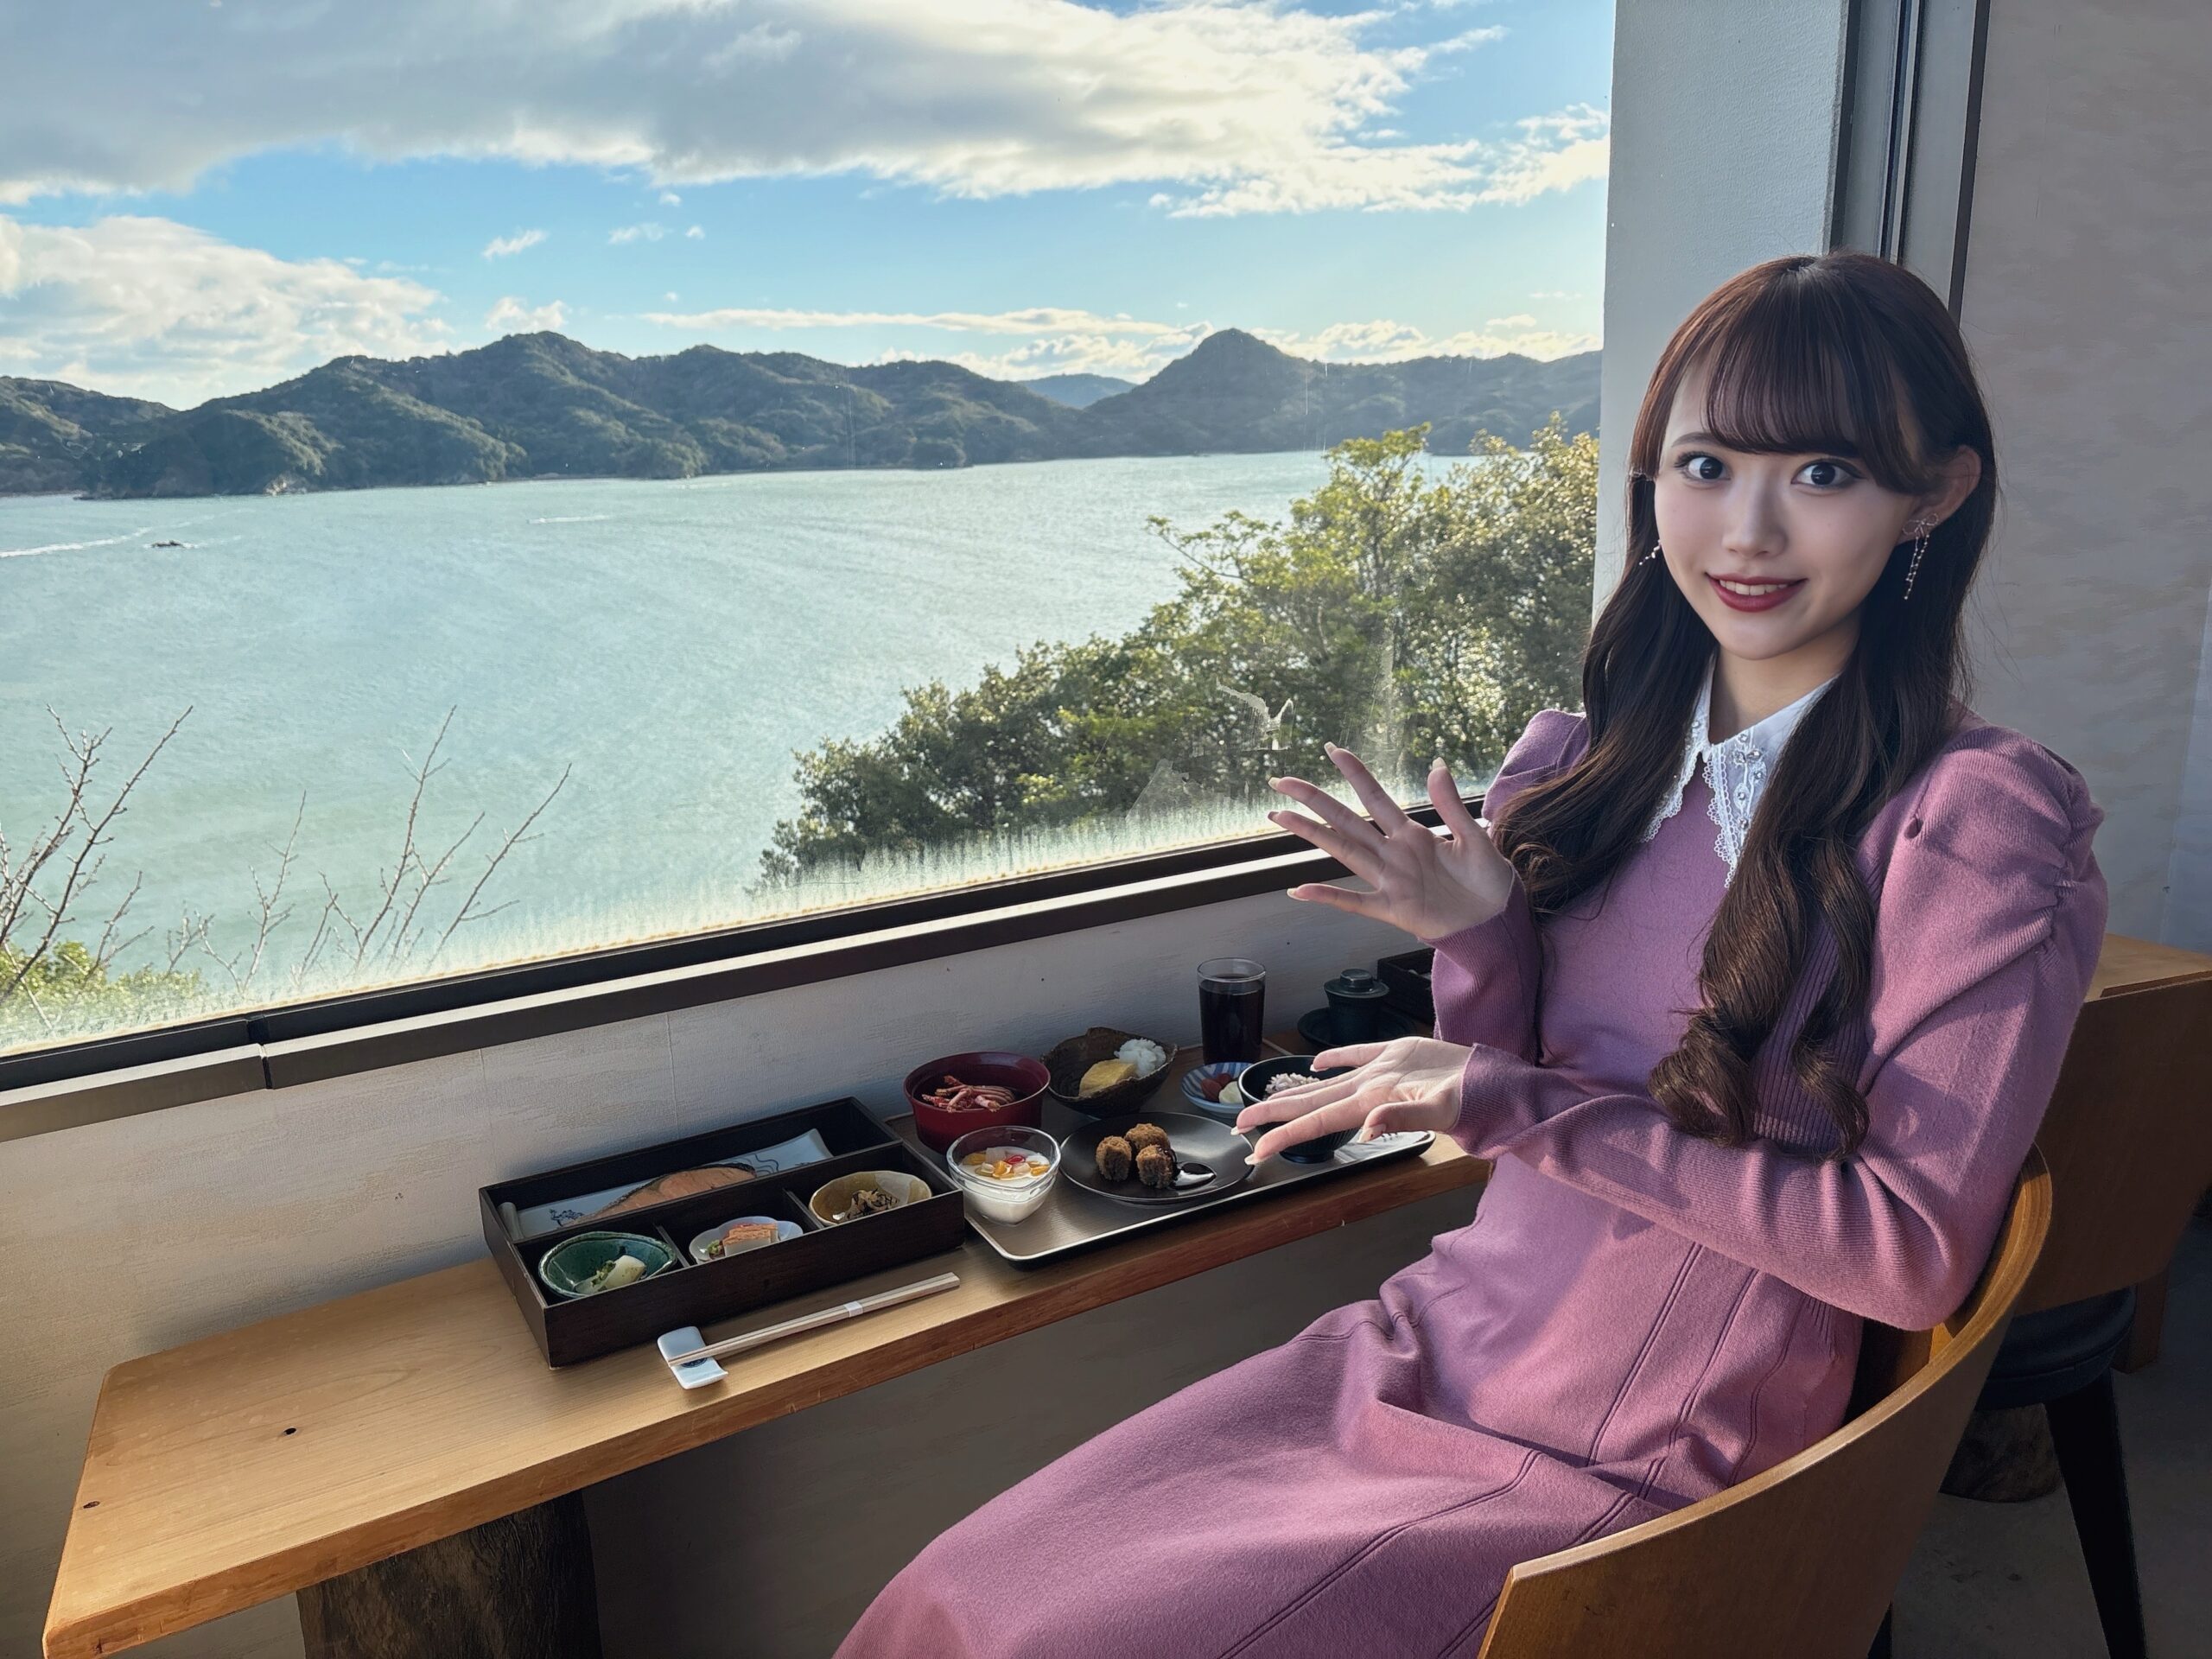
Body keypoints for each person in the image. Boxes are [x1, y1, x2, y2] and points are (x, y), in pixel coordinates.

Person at [836, 251, 2110, 1657]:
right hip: (1444, 1336)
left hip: (1646, 1450)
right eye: (1705, 466)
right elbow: (1504, 1116)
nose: (1747, 531)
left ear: (1935, 493)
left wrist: (1506, 1096)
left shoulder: (1972, 822)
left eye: (1823, 473)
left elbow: (1908, 1258)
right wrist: (1477, 937)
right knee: (955, 1592)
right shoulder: (1585, 766)